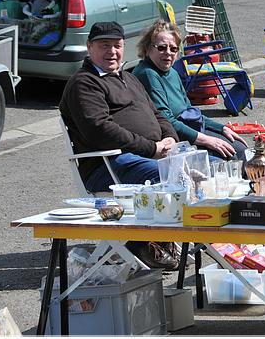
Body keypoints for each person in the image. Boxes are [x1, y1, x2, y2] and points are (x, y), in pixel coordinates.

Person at [59, 21, 181, 270]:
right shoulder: (84, 83)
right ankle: (140, 241)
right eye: (104, 46)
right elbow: (101, 130)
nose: (112, 52)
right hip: (109, 165)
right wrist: (151, 147)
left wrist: (170, 138)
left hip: (145, 157)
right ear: (89, 47)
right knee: (176, 176)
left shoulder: (128, 78)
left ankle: (170, 239)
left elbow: (157, 114)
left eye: (117, 46)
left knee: (210, 167)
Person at [132, 20, 248, 163]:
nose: (168, 53)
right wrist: (207, 140)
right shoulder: (148, 74)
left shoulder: (171, 72)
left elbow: (189, 111)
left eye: (173, 49)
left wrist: (222, 128)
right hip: (171, 138)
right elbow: (166, 121)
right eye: (161, 48)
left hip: (189, 128)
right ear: (147, 48)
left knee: (241, 147)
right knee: (231, 155)